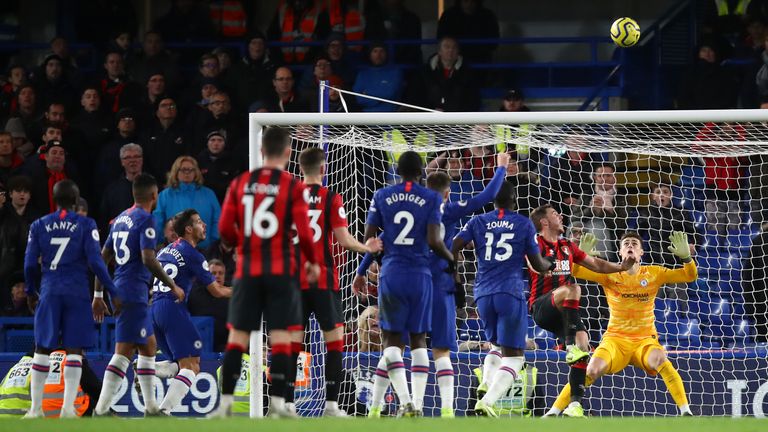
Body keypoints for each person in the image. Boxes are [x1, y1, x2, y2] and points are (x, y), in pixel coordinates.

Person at [360, 152, 510, 418]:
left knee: (395, 347)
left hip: (400, 278)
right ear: (447, 193)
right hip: (438, 286)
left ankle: (379, 407)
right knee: (440, 350)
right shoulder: (448, 209)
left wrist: (360, 270)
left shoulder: (404, 202)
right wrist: (500, 169)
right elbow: (486, 197)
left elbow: (377, 239)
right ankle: (447, 412)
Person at [210, 127, 320, 418]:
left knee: (238, 337)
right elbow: (305, 234)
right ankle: (279, 405)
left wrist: (239, 243)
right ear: (287, 153)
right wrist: (312, 262)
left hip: (248, 271)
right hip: (281, 271)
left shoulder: (241, 182)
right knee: (282, 337)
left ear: (261, 152)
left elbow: (223, 230)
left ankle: (225, 405)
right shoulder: (292, 186)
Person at [545, 231, 697, 417]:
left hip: (644, 341)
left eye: (634, 243)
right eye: (626, 243)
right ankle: (553, 412)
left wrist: (687, 258)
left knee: (661, 359)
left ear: (642, 252)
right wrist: (579, 257)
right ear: (620, 252)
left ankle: (686, 412)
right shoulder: (609, 274)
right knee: (591, 369)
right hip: (615, 340)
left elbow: (689, 276)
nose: (630, 245)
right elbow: (576, 272)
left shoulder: (654, 273)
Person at [284, 148, 382, 416]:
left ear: (301, 169)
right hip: (324, 281)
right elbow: (343, 240)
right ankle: (331, 406)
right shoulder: (330, 198)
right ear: (324, 168)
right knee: (334, 344)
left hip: (294, 282)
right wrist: (368, 247)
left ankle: (287, 405)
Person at [362, 150, 454, 417]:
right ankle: (417, 405)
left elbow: (370, 239)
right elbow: (436, 242)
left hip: (392, 273)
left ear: (398, 171)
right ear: (422, 171)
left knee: (391, 343)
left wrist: (372, 261)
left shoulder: (382, 195)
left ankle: (405, 403)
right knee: (418, 341)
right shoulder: (430, 197)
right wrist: (452, 261)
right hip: (420, 276)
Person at [451, 181, 554, 417]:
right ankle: (486, 401)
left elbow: (454, 245)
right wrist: (550, 263)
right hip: (510, 292)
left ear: (492, 200)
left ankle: (486, 383)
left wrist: (455, 279)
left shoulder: (477, 221)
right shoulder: (523, 223)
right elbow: (538, 265)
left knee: (496, 347)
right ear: (514, 199)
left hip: (482, 294)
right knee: (516, 357)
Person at [525, 204, 633, 417]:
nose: (561, 216)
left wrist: (621, 267)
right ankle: (569, 342)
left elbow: (598, 265)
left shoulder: (567, 246)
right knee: (573, 288)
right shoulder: (534, 242)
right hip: (542, 307)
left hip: (565, 311)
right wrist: (541, 267)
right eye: (555, 214)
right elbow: (532, 262)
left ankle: (575, 405)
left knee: (584, 345)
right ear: (544, 222)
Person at [22, 179, 117, 418]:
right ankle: (67, 409)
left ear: (55, 200)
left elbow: (29, 264)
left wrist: (30, 291)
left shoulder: (39, 225)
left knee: (42, 348)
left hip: (50, 290)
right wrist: (112, 290)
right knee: (74, 351)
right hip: (76, 292)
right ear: (76, 201)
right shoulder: (86, 224)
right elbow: (96, 262)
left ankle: (35, 409)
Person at [91, 173, 185, 416]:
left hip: (125, 288)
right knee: (123, 351)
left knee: (148, 346)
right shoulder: (146, 219)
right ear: (154, 195)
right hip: (132, 290)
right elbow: (148, 258)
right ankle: (100, 410)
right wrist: (171, 284)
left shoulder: (121, 218)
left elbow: (103, 257)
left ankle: (152, 408)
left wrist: (99, 293)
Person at [150, 209, 231, 415]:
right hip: (172, 309)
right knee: (192, 366)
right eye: (199, 222)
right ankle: (163, 412)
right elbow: (217, 291)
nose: (204, 226)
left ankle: (151, 369)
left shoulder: (166, 250)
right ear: (188, 229)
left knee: (179, 364)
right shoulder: (193, 254)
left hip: (155, 310)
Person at [153, 156, 221, 250]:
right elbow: (158, 222)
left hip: (206, 250)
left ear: (196, 172)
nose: (187, 173)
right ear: (176, 172)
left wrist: (213, 244)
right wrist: (160, 243)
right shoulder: (165, 195)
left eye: (191, 170)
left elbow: (217, 220)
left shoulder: (209, 194)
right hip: (174, 249)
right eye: (183, 169)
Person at [353, 42, 404, 112]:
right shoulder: (362, 74)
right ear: (370, 54)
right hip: (366, 117)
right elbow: (359, 99)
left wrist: (367, 94)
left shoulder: (395, 72)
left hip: (390, 116)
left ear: (386, 54)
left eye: (382, 51)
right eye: (375, 51)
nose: (378, 55)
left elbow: (390, 94)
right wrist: (381, 96)